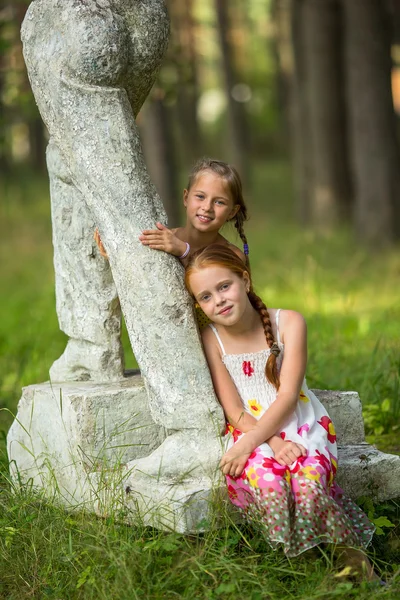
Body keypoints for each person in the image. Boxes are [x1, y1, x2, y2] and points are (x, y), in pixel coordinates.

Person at [184, 244, 376, 576]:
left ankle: (358, 566)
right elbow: (233, 409)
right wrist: (267, 443)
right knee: (271, 486)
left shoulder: (288, 322)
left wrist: (252, 444)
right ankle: (305, 572)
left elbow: (287, 398)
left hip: (301, 425)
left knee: (309, 484)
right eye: (206, 296)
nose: (218, 300)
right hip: (250, 430)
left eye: (224, 286)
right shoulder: (212, 338)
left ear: (244, 280)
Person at [95, 157, 250, 328]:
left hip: (214, 341)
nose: (207, 207)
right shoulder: (165, 238)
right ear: (186, 198)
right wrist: (117, 256)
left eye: (219, 202)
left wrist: (183, 251)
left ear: (232, 211)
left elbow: (206, 280)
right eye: (200, 196)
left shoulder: (233, 255)